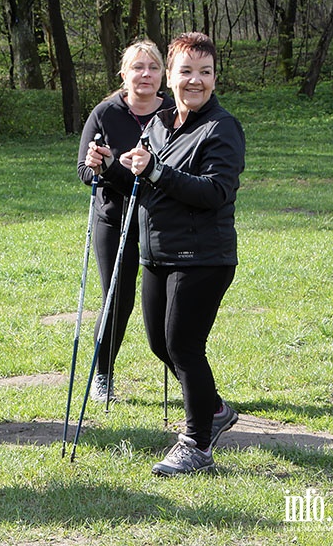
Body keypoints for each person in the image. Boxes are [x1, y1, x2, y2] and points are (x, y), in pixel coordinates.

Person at [119, 32, 244, 476]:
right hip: (157, 253)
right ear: (170, 76)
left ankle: (196, 444)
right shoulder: (161, 123)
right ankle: (214, 411)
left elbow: (215, 191)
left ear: (215, 78)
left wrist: (156, 171)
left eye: (205, 72)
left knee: (184, 345)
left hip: (203, 257)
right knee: (160, 344)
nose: (196, 81)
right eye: (187, 71)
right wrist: (111, 167)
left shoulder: (221, 128)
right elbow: (148, 178)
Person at [77, 39, 172, 403]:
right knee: (117, 298)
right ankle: (103, 375)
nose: (145, 75)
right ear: (123, 74)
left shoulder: (174, 113)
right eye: (137, 68)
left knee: (165, 304)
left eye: (152, 68)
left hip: (162, 221)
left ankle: (186, 375)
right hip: (114, 219)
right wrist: (99, 165)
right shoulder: (105, 113)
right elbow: (85, 172)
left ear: (162, 74)